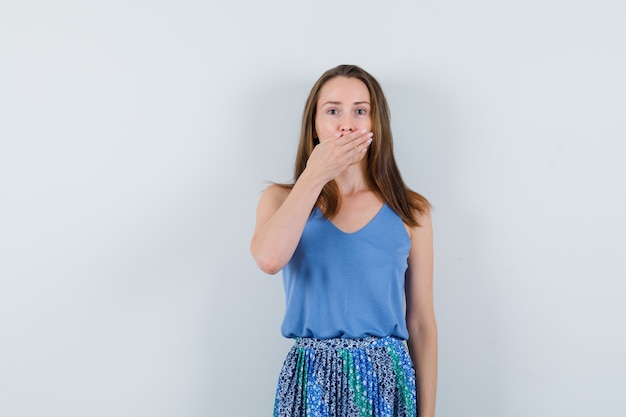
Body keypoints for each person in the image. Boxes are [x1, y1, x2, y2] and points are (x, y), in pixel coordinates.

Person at [250, 65, 437, 417]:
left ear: (375, 125)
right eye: (333, 110)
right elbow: (269, 259)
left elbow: (422, 324)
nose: (347, 124)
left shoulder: (411, 210)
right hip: (310, 381)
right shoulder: (280, 200)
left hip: (386, 382)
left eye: (360, 111)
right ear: (315, 127)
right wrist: (316, 174)